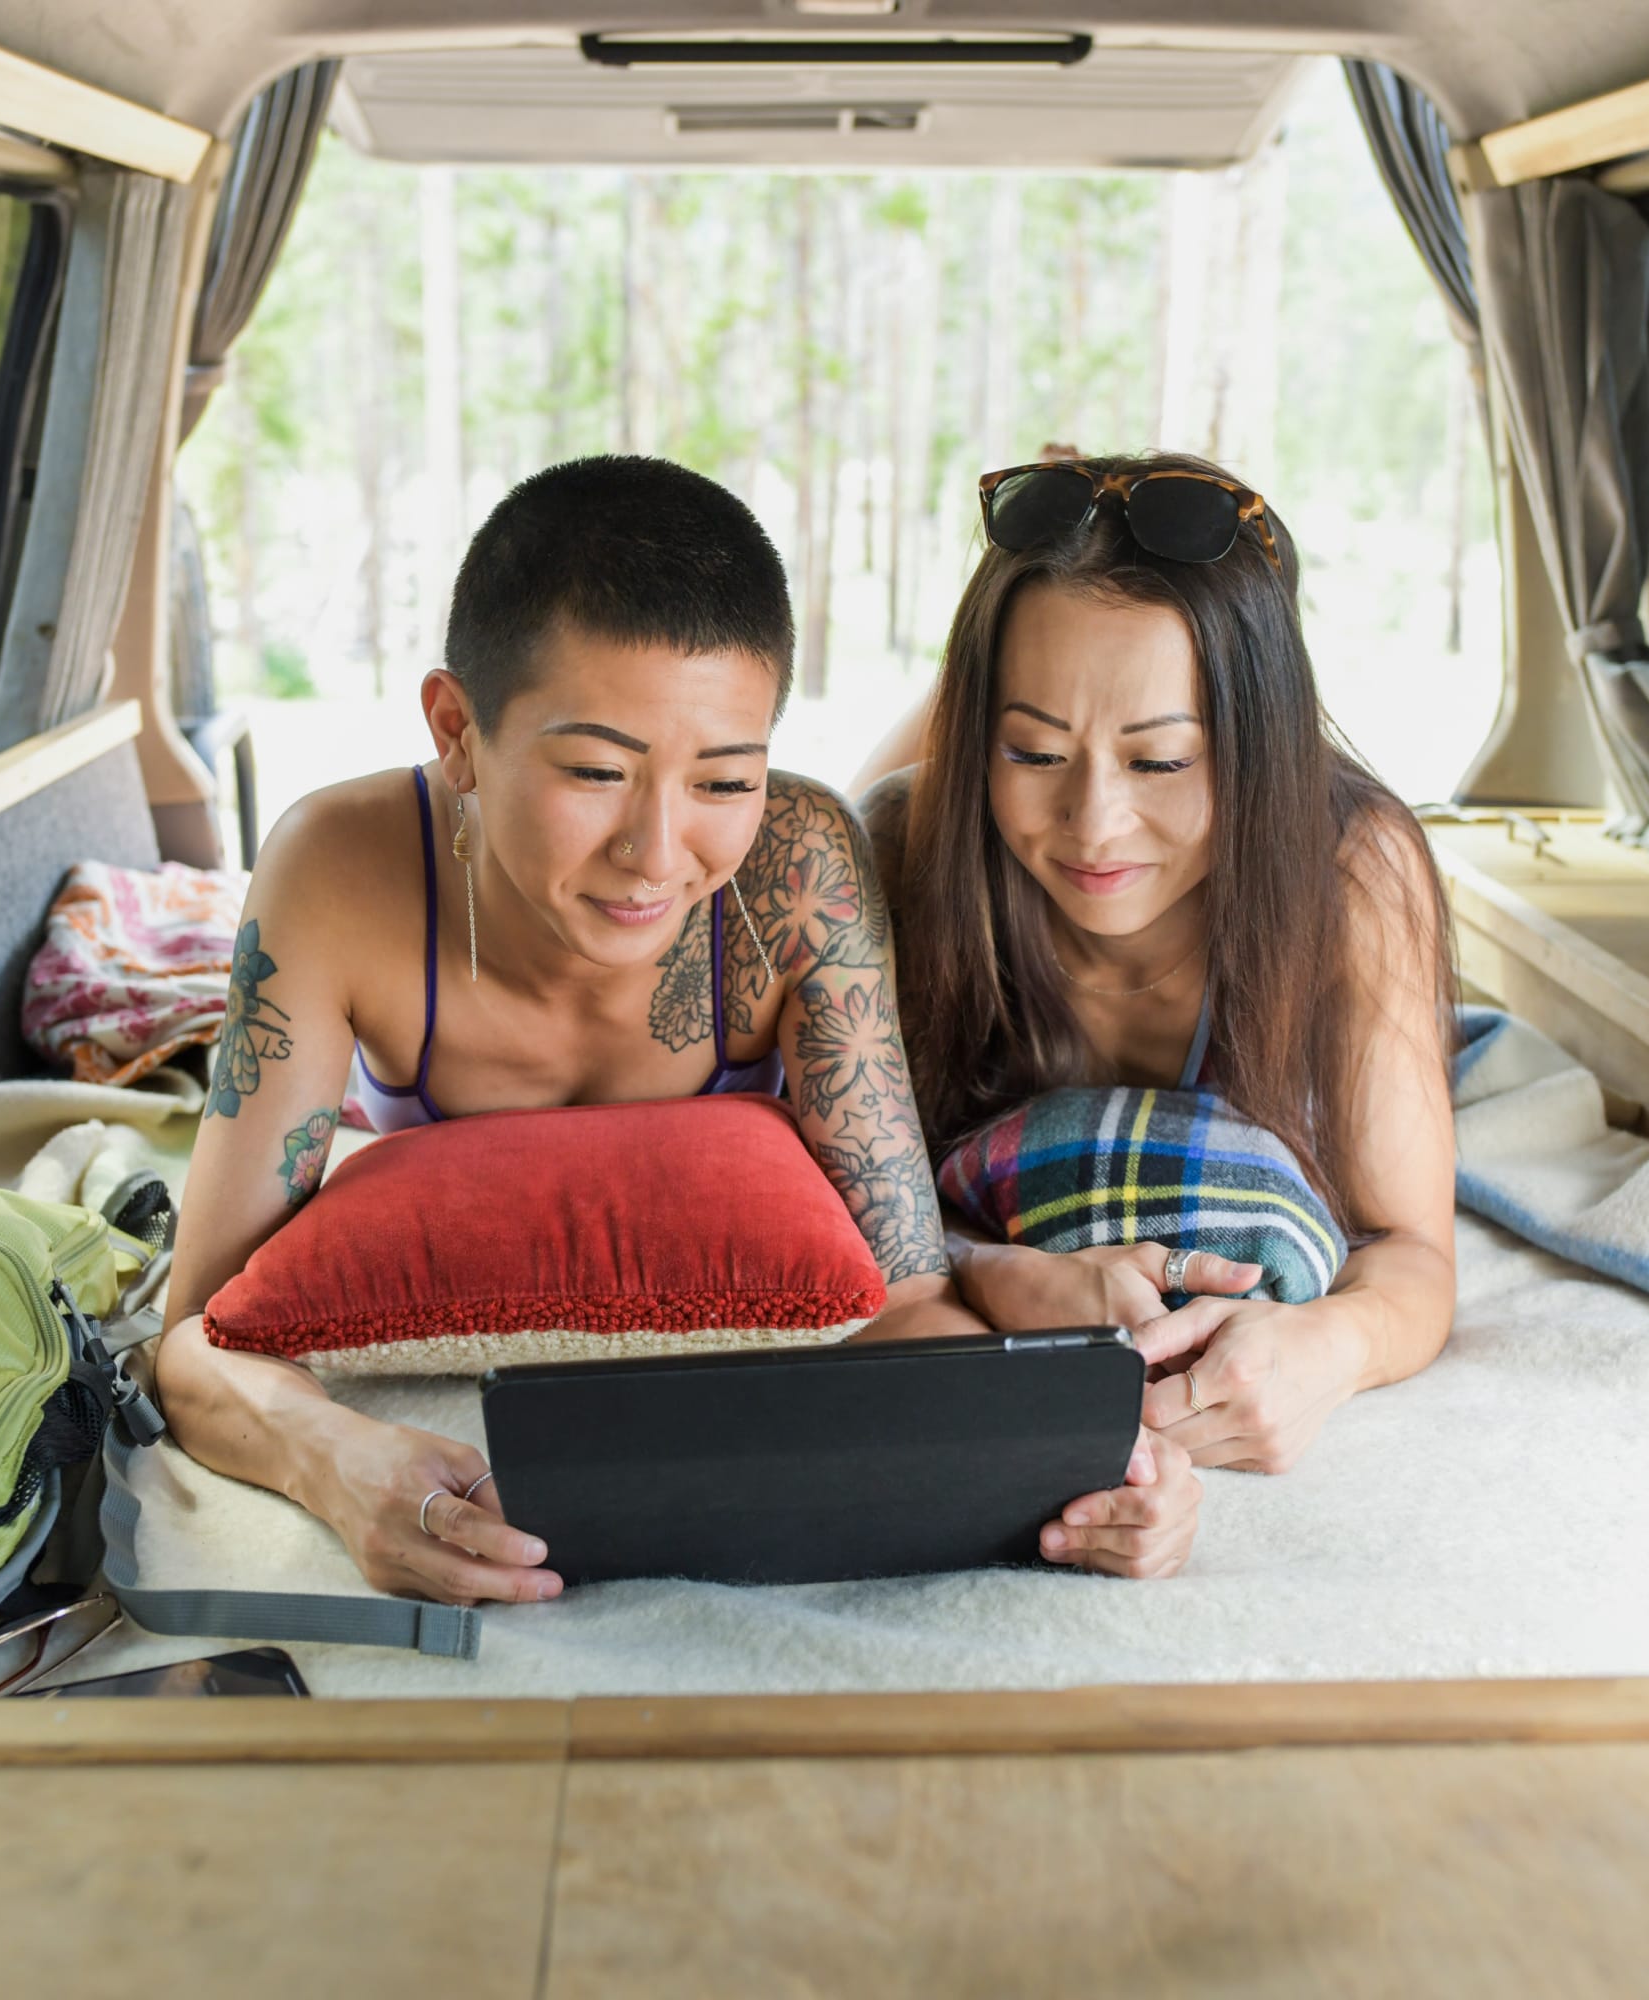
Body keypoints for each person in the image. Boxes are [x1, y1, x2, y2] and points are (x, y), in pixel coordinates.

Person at [157, 456, 1198, 1605]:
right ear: (457, 729)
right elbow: (200, 1329)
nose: (656, 852)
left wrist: (1104, 1475)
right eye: (596, 771)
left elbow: (903, 1296)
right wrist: (340, 1464)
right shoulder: (334, 872)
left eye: (721, 780)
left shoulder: (800, 863)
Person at [859, 449, 1458, 1476]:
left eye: (1160, 761)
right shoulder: (902, 850)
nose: (1093, 825)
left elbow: (1409, 1247)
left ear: (1258, 742)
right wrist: (985, 1270)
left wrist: (1328, 1345)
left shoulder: (1352, 869)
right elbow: (828, 1206)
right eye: (1034, 753)